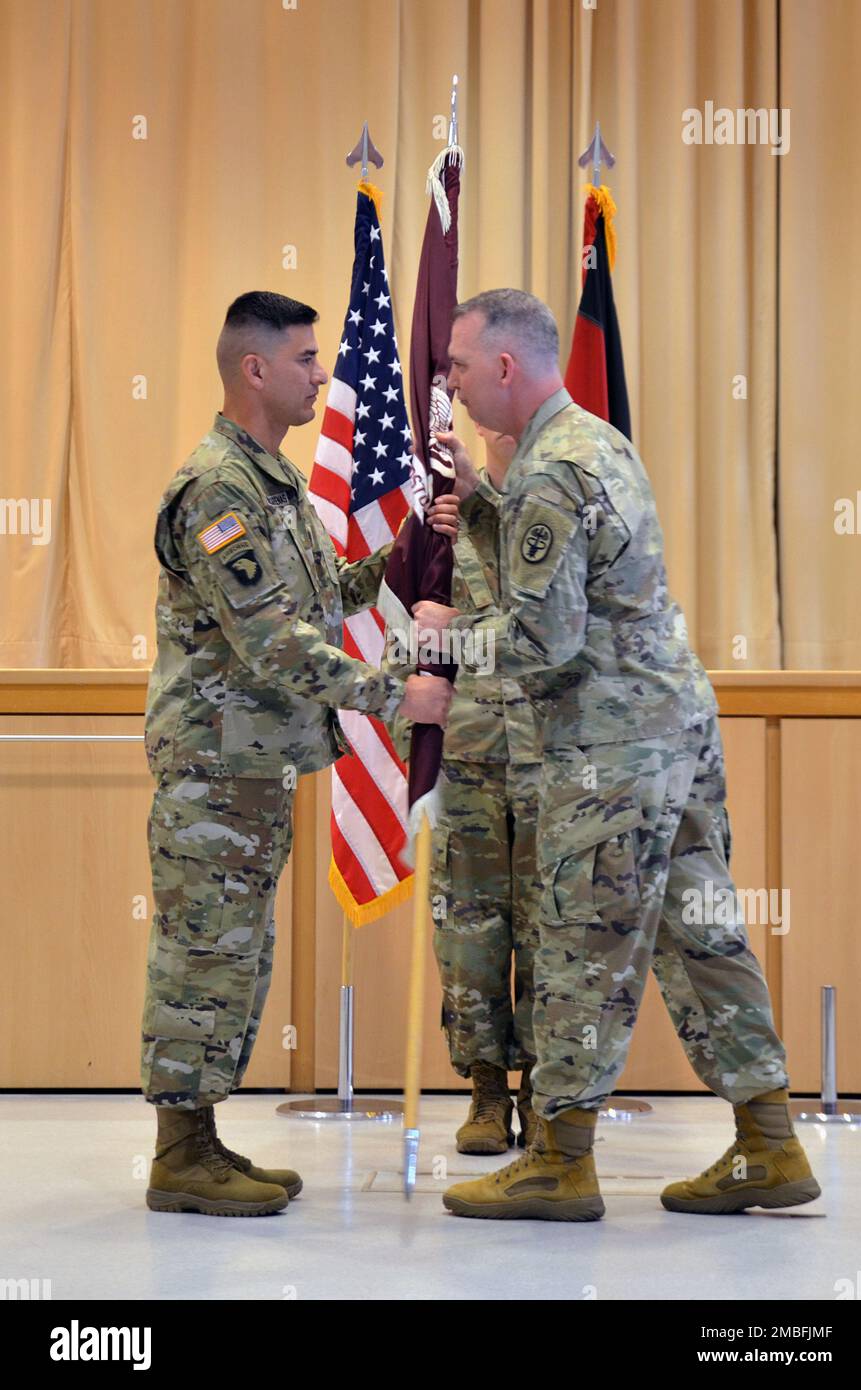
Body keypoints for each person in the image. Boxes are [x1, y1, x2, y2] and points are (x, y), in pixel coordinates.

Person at [414, 288, 820, 1221]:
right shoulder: (594, 444)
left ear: (507, 368)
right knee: (702, 930)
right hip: (669, 734)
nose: (455, 388)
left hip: (609, 748)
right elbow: (575, 575)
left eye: (461, 369)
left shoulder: (554, 470)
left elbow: (543, 642)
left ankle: (561, 1157)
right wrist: (484, 512)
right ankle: (769, 1140)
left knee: (577, 936)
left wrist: (449, 638)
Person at [142, 290, 454, 1217]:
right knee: (202, 954)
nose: (323, 374)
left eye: (323, 359)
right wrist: (396, 695)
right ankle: (178, 1153)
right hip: (212, 768)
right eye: (309, 359)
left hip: (252, 764)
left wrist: (401, 555)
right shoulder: (218, 489)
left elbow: (319, 599)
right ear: (256, 369)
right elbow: (272, 639)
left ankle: (199, 1140)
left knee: (236, 957)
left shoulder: (272, 483)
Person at [391, 425, 544, 1153]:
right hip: (468, 761)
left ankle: (549, 1092)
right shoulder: (440, 534)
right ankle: (486, 1089)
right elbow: (407, 649)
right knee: (470, 939)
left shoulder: (547, 532)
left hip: (552, 765)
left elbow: (560, 633)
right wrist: (414, 755)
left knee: (551, 934)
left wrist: (461, 632)